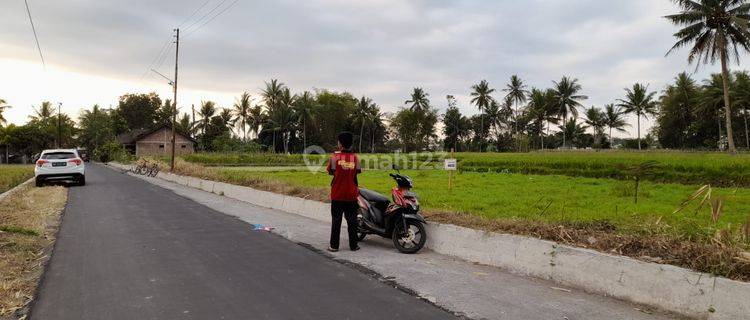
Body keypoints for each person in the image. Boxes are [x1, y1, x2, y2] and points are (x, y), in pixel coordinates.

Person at [326, 132, 361, 252]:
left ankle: (334, 246)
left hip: (337, 194)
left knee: (336, 220)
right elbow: (357, 172)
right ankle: (354, 245)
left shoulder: (334, 157)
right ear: (350, 144)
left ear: (340, 144)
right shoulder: (355, 158)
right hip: (351, 194)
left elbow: (330, 171)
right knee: (352, 220)